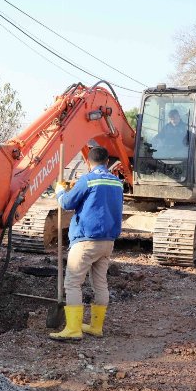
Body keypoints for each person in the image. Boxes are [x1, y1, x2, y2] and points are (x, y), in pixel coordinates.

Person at [49, 146, 124, 341]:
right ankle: (96, 327)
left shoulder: (87, 180)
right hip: (108, 242)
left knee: (73, 283)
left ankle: (73, 329)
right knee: (100, 284)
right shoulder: (117, 183)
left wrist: (59, 191)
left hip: (86, 241)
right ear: (107, 162)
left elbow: (66, 203)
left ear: (88, 162)